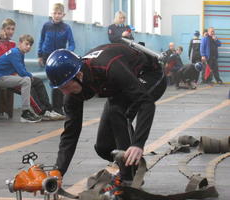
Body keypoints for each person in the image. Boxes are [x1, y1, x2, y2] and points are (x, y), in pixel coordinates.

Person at [45, 43, 167, 197]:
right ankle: (129, 166)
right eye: (61, 88)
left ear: (80, 75)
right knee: (103, 147)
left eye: (68, 87)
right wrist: (58, 170)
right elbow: (71, 132)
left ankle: (128, 180)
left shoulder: (110, 68)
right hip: (119, 86)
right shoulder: (70, 89)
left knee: (118, 111)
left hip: (149, 74)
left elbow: (146, 103)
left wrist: (138, 144)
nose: (66, 92)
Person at [0, 19, 63, 121]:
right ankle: (38, 112)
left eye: (13, 29)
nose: (11, 31)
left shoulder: (13, 46)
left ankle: (49, 109)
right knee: (27, 81)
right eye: (8, 28)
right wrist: (26, 75)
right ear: (2, 29)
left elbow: (18, 65)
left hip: (10, 75)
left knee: (37, 81)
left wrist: (26, 74)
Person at [0, 34, 42, 123]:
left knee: (26, 79)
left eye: (30, 45)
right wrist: (30, 75)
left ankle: (29, 111)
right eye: (26, 44)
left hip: (1, 76)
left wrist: (28, 75)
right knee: (26, 80)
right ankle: (25, 113)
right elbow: (21, 71)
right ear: (20, 43)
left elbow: (23, 69)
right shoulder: (15, 53)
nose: (28, 47)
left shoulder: (19, 53)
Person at [38, 3, 75, 115]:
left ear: (63, 14)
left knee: (59, 82)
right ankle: (54, 108)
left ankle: (58, 108)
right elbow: (41, 40)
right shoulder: (46, 26)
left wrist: (68, 52)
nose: (57, 15)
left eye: (59, 13)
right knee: (52, 81)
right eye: (55, 13)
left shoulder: (66, 28)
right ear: (51, 14)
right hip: (47, 56)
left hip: (59, 57)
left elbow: (72, 43)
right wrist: (39, 55)